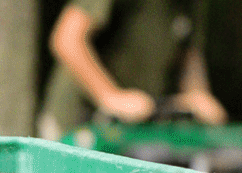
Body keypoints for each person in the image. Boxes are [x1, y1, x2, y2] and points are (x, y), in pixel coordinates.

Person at [36, 0, 227, 141]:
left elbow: (188, 52)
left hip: (135, 130)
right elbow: (67, 39)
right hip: (78, 126)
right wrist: (110, 96)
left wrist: (198, 95)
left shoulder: (191, 5)